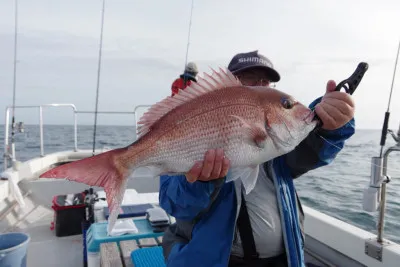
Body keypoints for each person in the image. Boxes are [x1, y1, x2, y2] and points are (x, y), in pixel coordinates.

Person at [159, 50, 355, 267]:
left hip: (284, 260)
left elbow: (309, 150)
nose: (259, 84)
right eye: (249, 77)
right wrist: (200, 182)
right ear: (230, 85)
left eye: (266, 81)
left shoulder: (278, 145)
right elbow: (174, 203)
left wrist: (328, 126)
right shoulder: (192, 130)